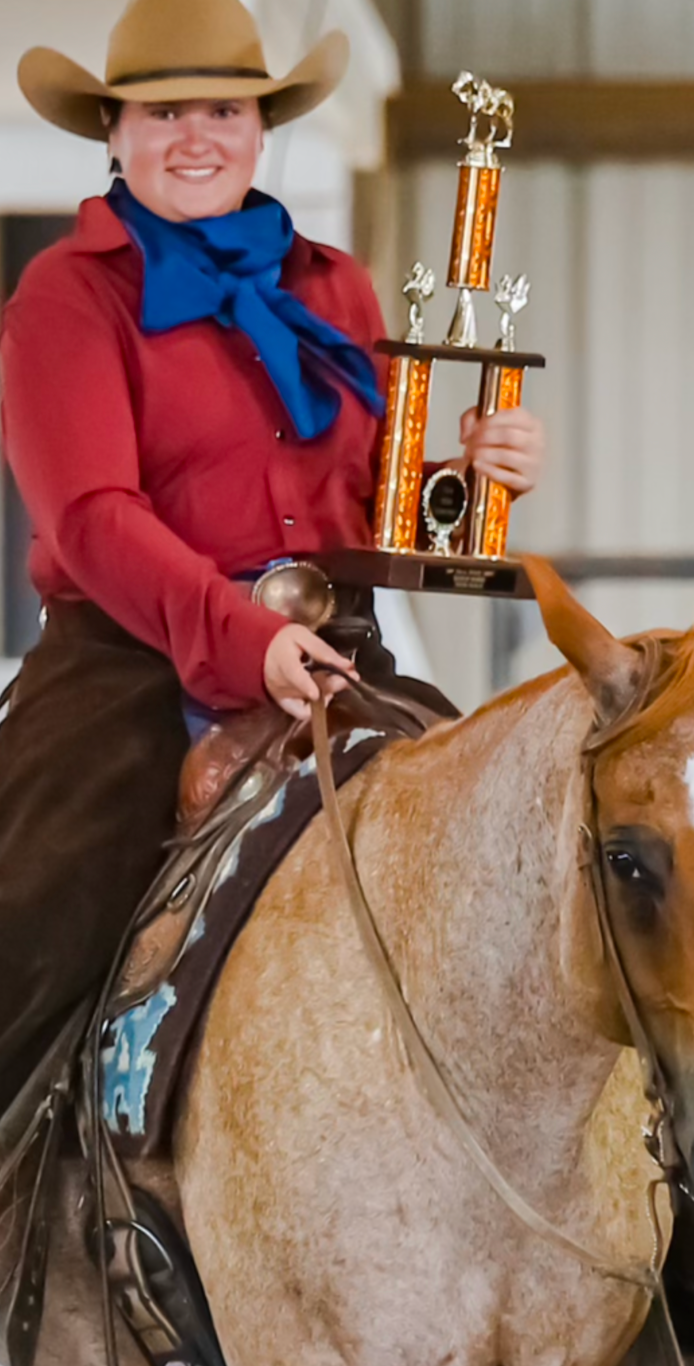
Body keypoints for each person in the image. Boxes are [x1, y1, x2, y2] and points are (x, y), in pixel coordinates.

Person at [0, 0, 545, 1116]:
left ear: (261, 129)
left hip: (335, 648)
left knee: (504, 877)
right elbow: (96, 517)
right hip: (129, 660)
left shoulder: (333, 287)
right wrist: (247, 643)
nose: (195, 135)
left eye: (224, 109)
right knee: (35, 925)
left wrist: (466, 475)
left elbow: (365, 493)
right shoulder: (67, 296)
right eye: (163, 111)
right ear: (112, 129)